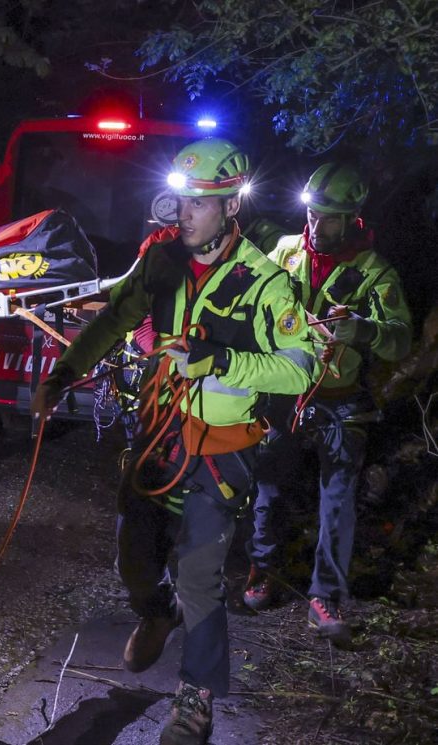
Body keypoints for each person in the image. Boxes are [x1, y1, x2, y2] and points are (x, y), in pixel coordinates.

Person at [31, 138, 317, 744]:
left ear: (229, 207)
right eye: (178, 201)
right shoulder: (160, 259)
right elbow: (113, 319)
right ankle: (156, 614)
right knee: (134, 561)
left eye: (197, 204)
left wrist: (218, 360)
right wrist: (61, 375)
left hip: (221, 449)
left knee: (200, 574)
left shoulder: (263, 282)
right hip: (156, 438)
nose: (179, 213)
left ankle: (195, 700)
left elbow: (299, 368)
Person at [243, 163, 412, 643]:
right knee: (269, 486)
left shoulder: (375, 271)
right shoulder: (286, 251)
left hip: (340, 401)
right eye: (313, 214)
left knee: (337, 500)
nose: (317, 226)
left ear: (353, 217)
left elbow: (400, 341)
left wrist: (361, 329)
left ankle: (326, 597)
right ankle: (262, 571)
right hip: (285, 395)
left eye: (330, 218)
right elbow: (253, 302)